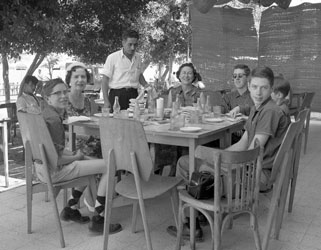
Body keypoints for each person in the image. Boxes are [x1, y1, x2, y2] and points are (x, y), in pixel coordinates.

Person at [167, 66, 290, 241]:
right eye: (254, 87)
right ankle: (201, 213)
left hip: (252, 175)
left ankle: (191, 223)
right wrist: (218, 155)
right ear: (249, 86)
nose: (258, 92)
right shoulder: (258, 107)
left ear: (271, 89)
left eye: (264, 88)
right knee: (197, 159)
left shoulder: (269, 111)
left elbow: (251, 154)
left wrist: (216, 160)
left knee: (186, 163)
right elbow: (243, 142)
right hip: (251, 169)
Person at [39, 78, 122, 234]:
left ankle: (71, 207)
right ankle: (99, 216)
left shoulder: (45, 113)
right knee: (111, 165)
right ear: (47, 97)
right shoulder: (54, 119)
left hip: (42, 168)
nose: (64, 96)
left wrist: (76, 155)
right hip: (55, 170)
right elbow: (57, 159)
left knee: (92, 161)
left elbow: (52, 151)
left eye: (65, 91)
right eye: (58, 93)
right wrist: (75, 157)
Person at [101, 29, 148, 112]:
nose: (133, 48)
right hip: (117, 95)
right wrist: (106, 101)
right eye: (130, 44)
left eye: (135, 45)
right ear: (123, 43)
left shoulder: (138, 58)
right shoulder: (112, 57)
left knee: (134, 122)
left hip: (134, 95)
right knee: (117, 123)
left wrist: (147, 86)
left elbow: (139, 75)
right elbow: (105, 80)